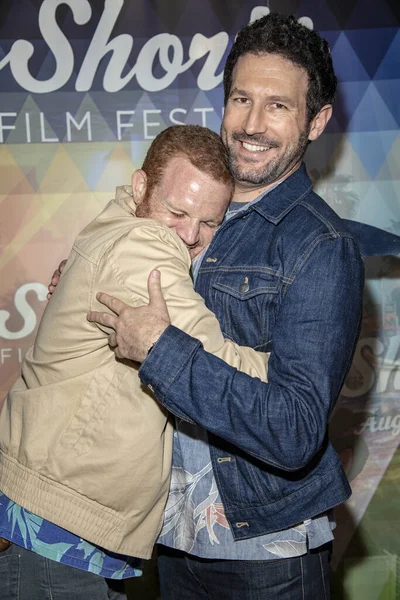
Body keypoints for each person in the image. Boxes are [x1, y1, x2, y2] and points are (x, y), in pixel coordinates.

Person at [85, 13, 367, 599]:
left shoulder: (320, 247)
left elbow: (294, 430)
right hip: (164, 534)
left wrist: (162, 350)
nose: (252, 124)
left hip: (264, 553)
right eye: (241, 98)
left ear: (316, 121)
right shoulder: (185, 209)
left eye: (278, 106)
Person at [0, 125, 270, 600]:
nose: (190, 236)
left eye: (210, 222)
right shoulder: (145, 244)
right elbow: (219, 367)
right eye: (177, 211)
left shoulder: (117, 221)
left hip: (53, 516)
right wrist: (303, 369)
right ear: (141, 186)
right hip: (52, 528)